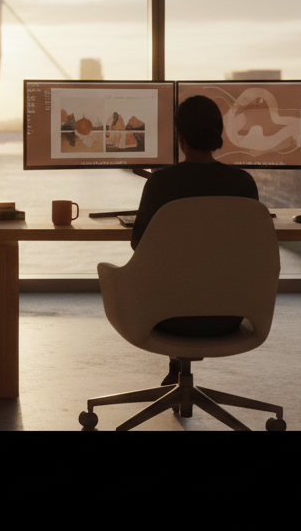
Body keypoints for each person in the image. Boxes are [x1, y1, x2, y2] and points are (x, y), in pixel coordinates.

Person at [130, 94, 260, 385]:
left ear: (180, 136)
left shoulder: (160, 183)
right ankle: (178, 369)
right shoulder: (242, 184)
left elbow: (139, 245)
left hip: (166, 317)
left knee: (172, 279)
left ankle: (177, 364)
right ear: (219, 133)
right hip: (228, 315)